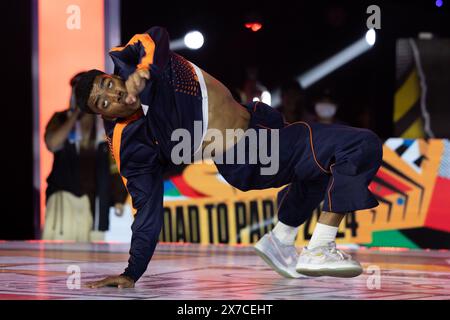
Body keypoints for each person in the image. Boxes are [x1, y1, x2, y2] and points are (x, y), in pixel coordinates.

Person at [78, 26, 382, 288]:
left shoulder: (136, 59)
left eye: (107, 85)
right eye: (102, 102)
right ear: (103, 115)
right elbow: (146, 208)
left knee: (318, 169)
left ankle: (280, 239)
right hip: (247, 153)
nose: (113, 95)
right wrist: (132, 272)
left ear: (112, 76)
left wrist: (144, 72)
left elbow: (156, 35)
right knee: (360, 145)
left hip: (260, 127)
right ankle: (319, 248)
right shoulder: (130, 143)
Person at [43, 72, 128, 241]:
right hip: (65, 200)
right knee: (61, 259)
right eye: (80, 92)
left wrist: (119, 197)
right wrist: (75, 114)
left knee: (93, 262)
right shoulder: (61, 118)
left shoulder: (106, 126)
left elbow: (115, 164)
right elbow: (52, 144)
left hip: (95, 205)